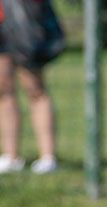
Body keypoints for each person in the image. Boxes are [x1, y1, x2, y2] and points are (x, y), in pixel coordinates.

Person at [0, 0, 59, 174]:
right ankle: (11, 156)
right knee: (3, 90)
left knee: (35, 88)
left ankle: (48, 157)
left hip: (23, 18)